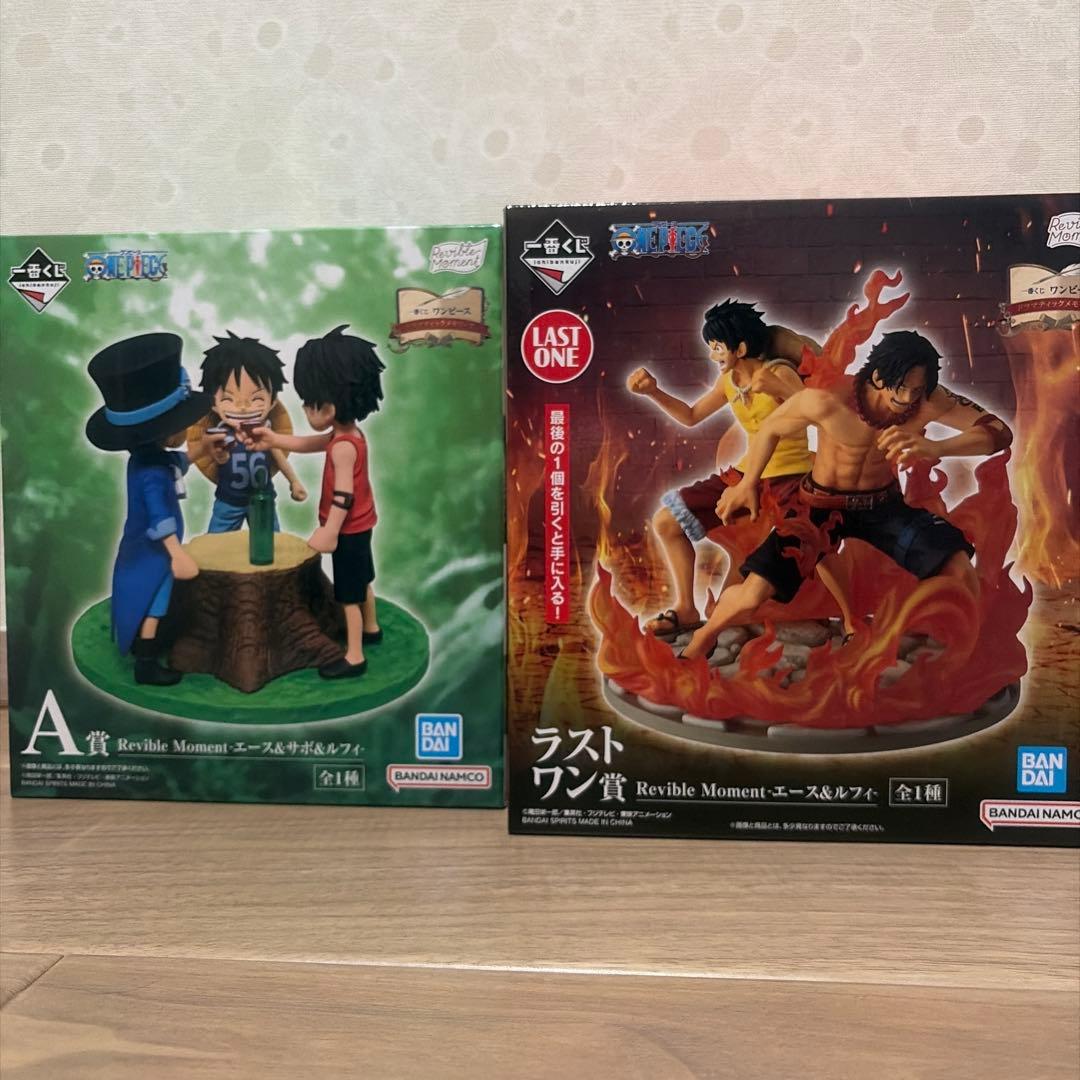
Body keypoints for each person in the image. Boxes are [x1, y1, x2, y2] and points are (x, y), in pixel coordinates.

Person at [680, 330, 1012, 660]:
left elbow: (998, 431)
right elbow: (771, 428)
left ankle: (973, 653)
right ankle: (703, 638)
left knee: (957, 566)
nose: (908, 398)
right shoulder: (828, 400)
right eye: (901, 388)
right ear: (878, 376)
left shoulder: (928, 400)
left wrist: (938, 447)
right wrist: (747, 483)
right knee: (754, 593)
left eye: (917, 390)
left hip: (882, 506)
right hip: (820, 505)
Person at [627, 298, 855, 639]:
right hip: (746, 474)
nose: (712, 355)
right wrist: (654, 392)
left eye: (717, 347)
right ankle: (687, 609)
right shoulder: (730, 381)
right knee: (667, 522)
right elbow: (691, 416)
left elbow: (817, 413)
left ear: (742, 348)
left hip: (792, 474)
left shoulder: (779, 372)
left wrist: (781, 389)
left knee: (815, 542)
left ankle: (851, 619)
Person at [246, 326, 385, 679]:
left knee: (348, 595)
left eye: (311, 404)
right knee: (364, 579)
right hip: (363, 525)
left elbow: (343, 496)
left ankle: (354, 656)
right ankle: (372, 628)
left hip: (347, 530)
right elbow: (311, 443)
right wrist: (274, 439)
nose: (307, 409)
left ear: (332, 404)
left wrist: (330, 531)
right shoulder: (347, 435)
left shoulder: (342, 447)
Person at [85, 333, 224, 685]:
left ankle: (143, 645)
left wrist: (202, 449)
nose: (186, 430)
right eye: (181, 426)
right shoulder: (151, 473)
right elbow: (160, 520)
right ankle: (146, 663)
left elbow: (177, 463)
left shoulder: (148, 459)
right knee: (154, 604)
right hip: (153, 555)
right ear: (163, 432)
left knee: (152, 601)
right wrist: (177, 555)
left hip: (147, 550)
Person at [189, 331, 306, 532]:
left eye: (257, 399)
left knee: (270, 543)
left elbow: (279, 457)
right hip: (228, 502)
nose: (243, 408)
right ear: (214, 404)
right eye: (228, 399)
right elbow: (210, 456)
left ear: (272, 402)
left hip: (263, 501)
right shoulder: (218, 433)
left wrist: (294, 482)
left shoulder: (266, 433)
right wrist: (220, 456)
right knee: (215, 544)